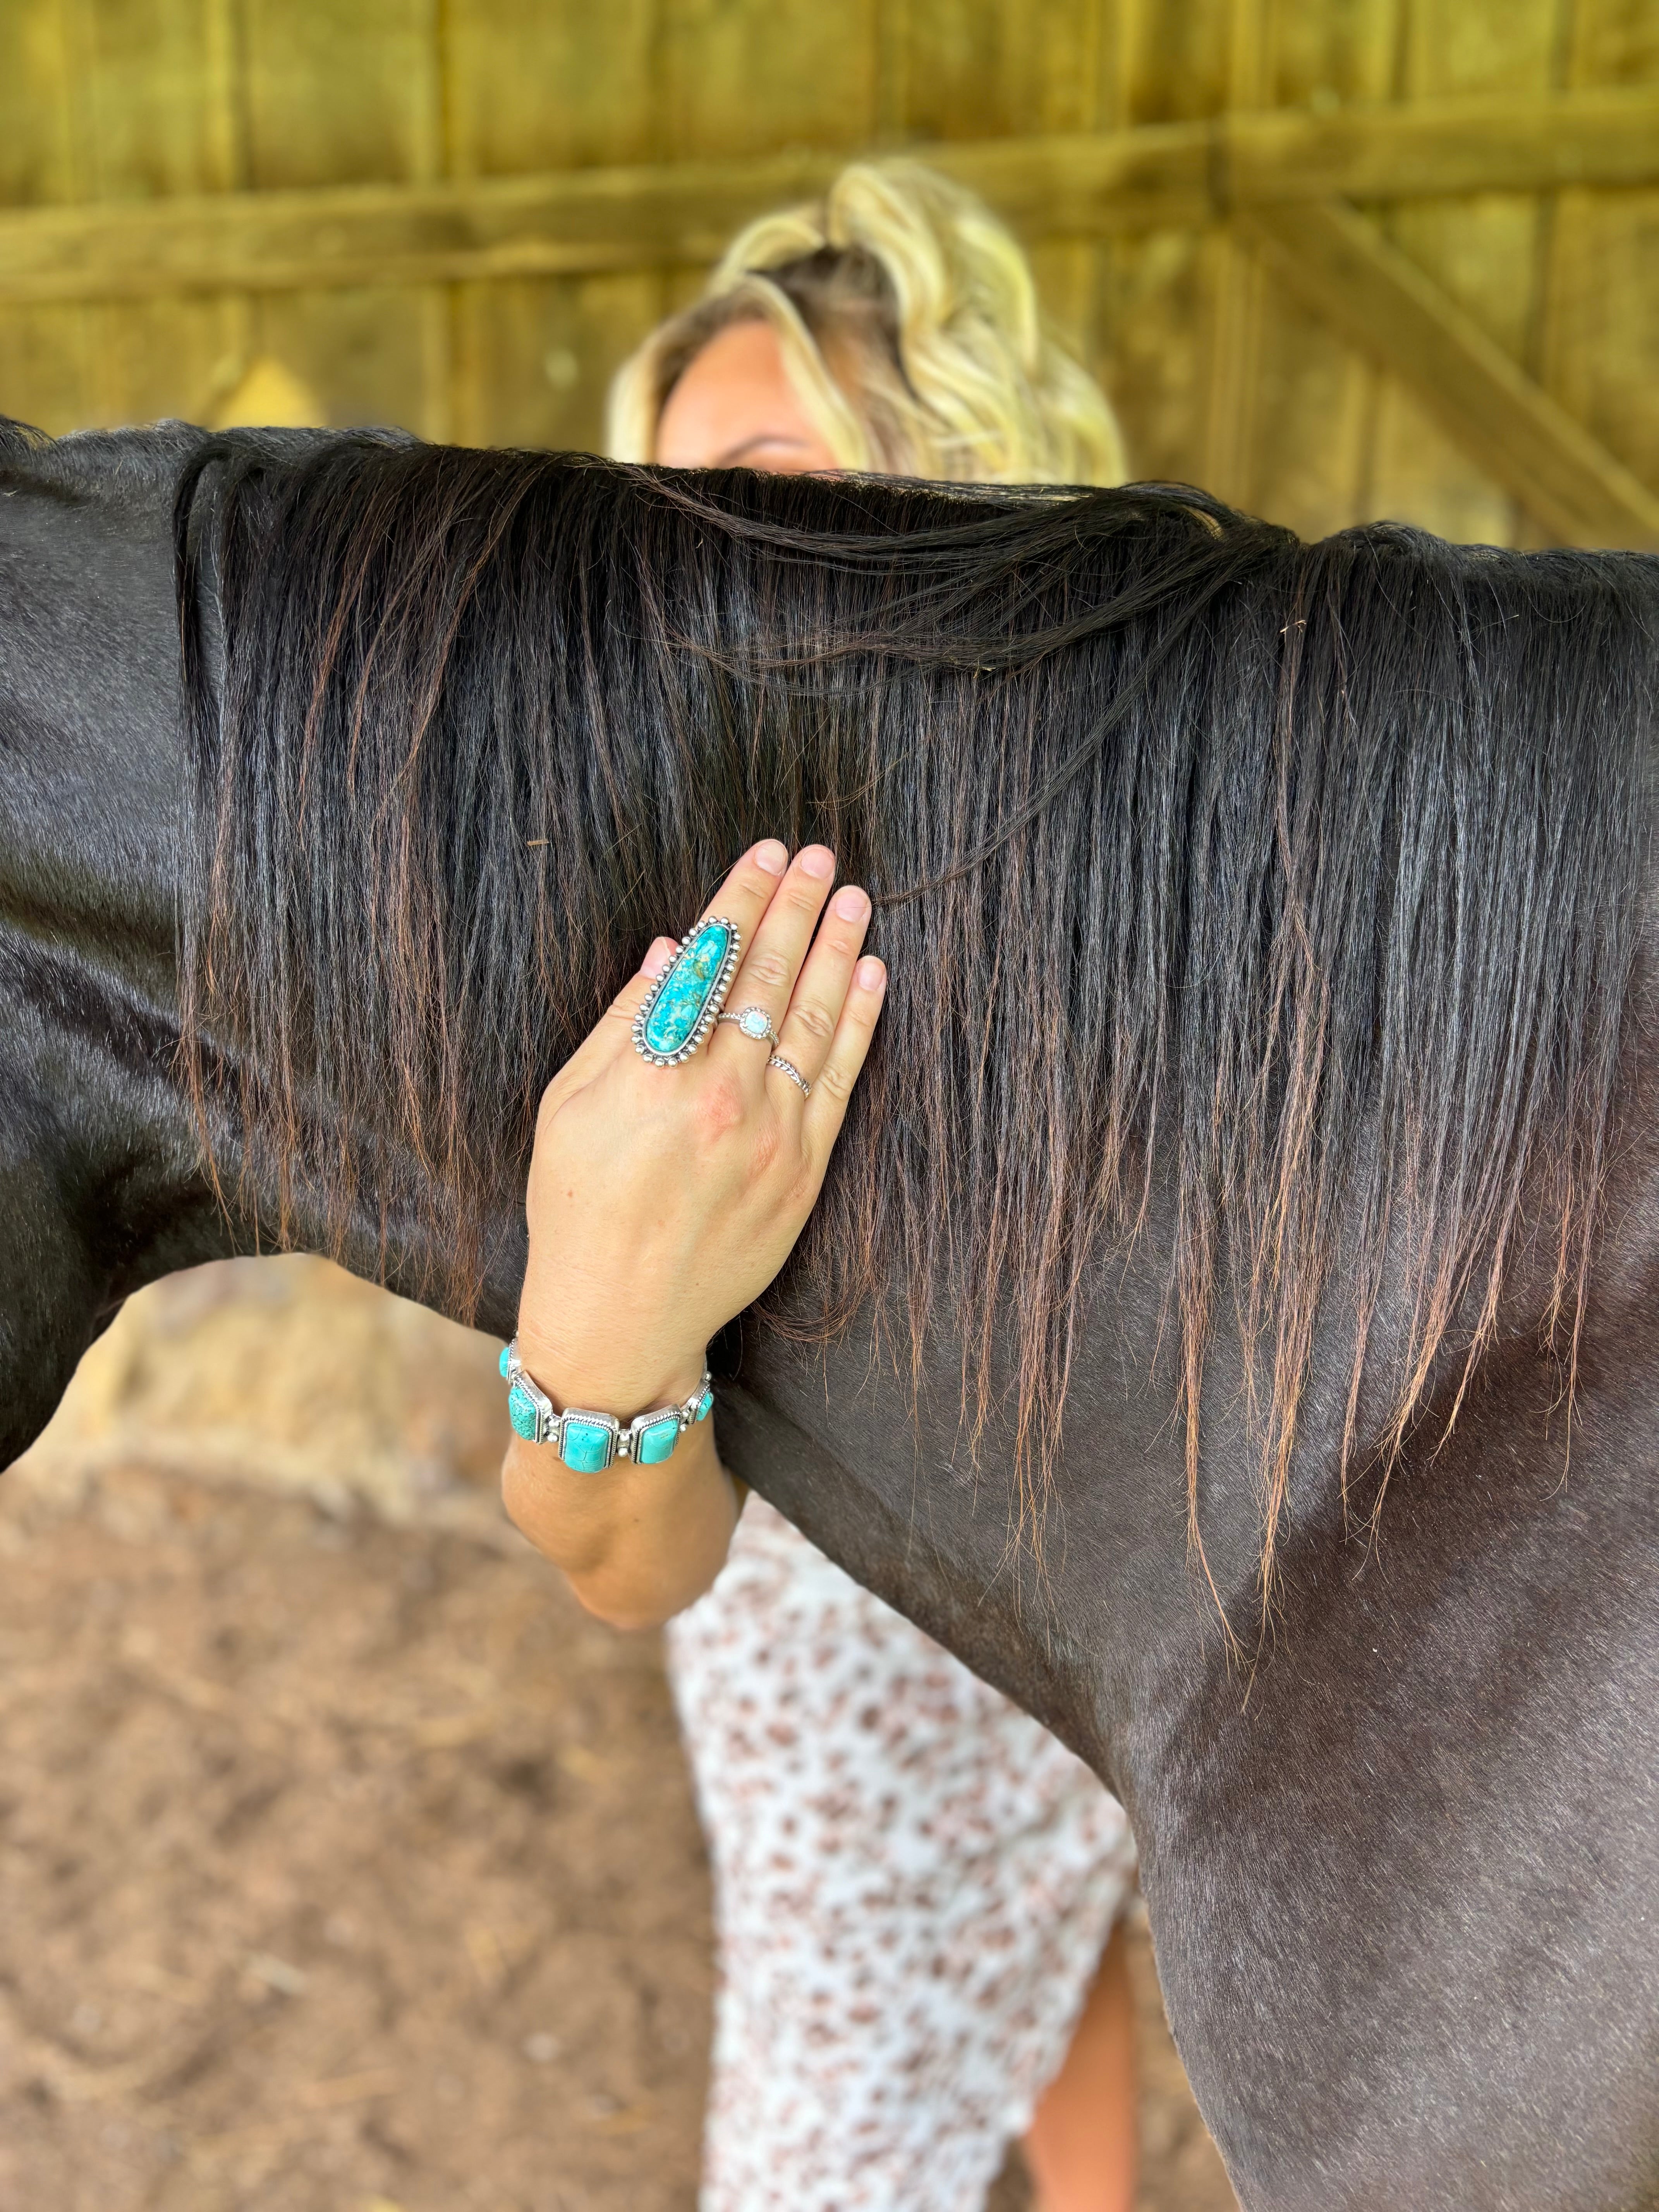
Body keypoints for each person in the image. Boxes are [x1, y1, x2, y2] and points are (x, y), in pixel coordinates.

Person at [583, 162, 1137, 2212]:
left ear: (949, 469)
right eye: (654, 501)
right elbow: (619, 1511)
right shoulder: (682, 877)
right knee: (824, 2114)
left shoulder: (1113, 823)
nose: (684, 552)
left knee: (1076, 1905)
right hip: (837, 1612)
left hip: (1084, 1548)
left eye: (752, 471)